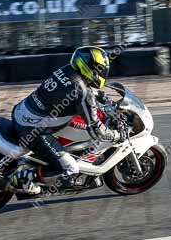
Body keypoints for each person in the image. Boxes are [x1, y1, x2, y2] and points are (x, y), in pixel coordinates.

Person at [9, 46, 124, 194]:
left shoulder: (67, 70)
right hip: (33, 131)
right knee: (71, 169)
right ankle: (22, 177)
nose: (102, 73)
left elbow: (72, 92)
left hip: (20, 112)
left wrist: (100, 97)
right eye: (101, 69)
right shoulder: (82, 92)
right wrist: (116, 135)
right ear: (92, 68)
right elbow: (96, 130)